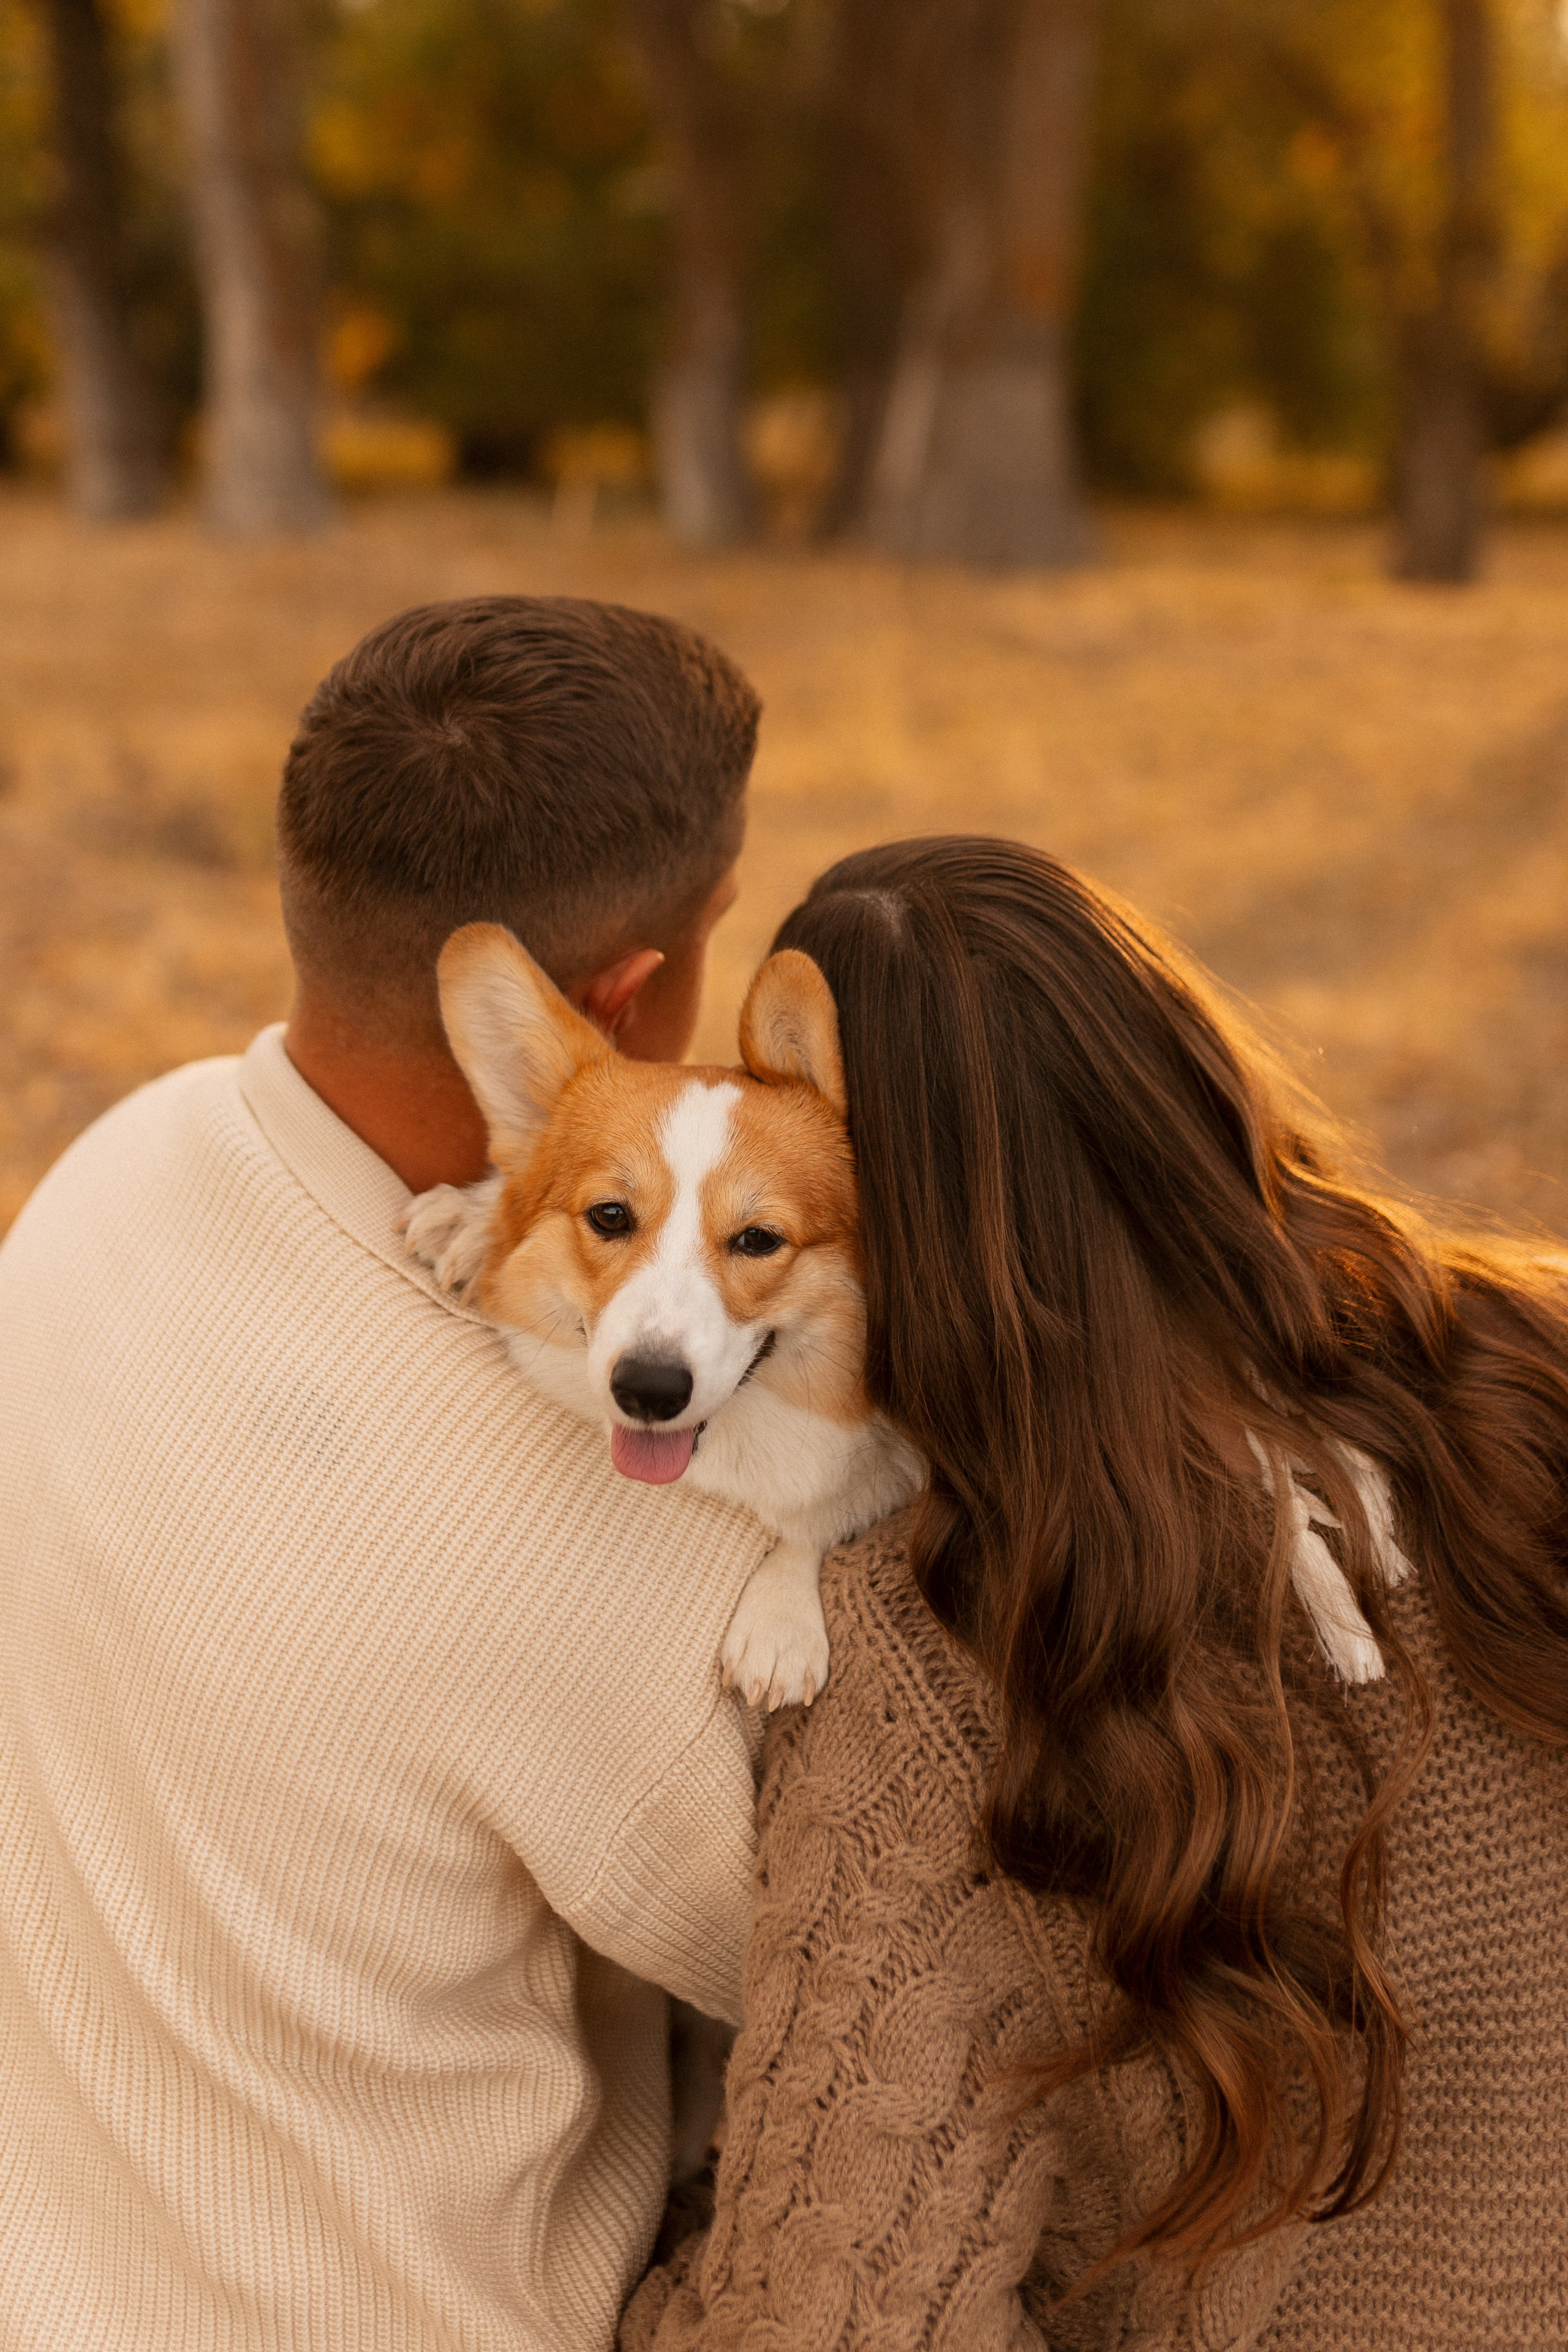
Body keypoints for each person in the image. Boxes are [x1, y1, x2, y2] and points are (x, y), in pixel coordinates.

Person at [622, 835, 1568, 2351]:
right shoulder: (1533, 1370)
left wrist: (657, 2250)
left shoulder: (935, 1672)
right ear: (1189, 1081)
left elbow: (820, 2328)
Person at [0, 595, 778, 2351]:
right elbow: (870, 1966)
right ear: (615, 1006)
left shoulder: (125, 1158)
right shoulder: (606, 1502)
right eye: (721, 930)